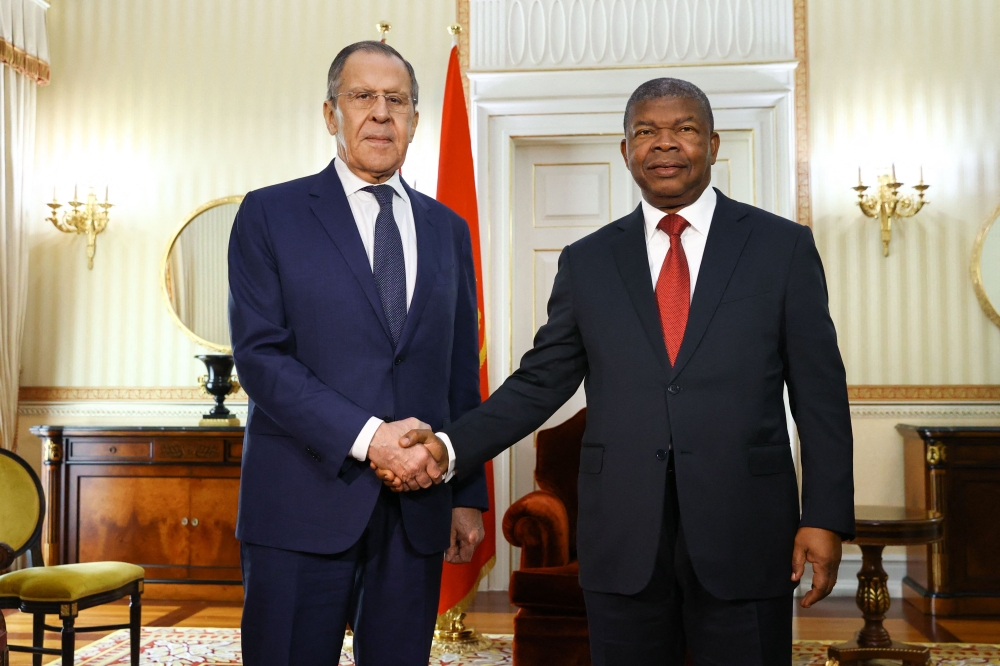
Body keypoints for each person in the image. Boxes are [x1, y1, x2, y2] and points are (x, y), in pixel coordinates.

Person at [377, 78, 855, 665]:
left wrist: (825, 517)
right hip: (624, 537)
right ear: (625, 150)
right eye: (646, 132)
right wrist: (450, 447)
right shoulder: (588, 261)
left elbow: (821, 395)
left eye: (683, 129)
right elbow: (540, 382)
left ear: (713, 143)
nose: (664, 144)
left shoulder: (781, 248)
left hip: (746, 530)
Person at [228, 40, 489, 666]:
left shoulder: (448, 229)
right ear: (330, 114)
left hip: (418, 509)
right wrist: (370, 437)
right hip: (302, 498)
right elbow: (261, 359)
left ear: (415, 121)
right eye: (362, 97)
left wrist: (467, 494)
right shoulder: (270, 214)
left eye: (396, 100)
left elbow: (459, 372)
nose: (380, 113)